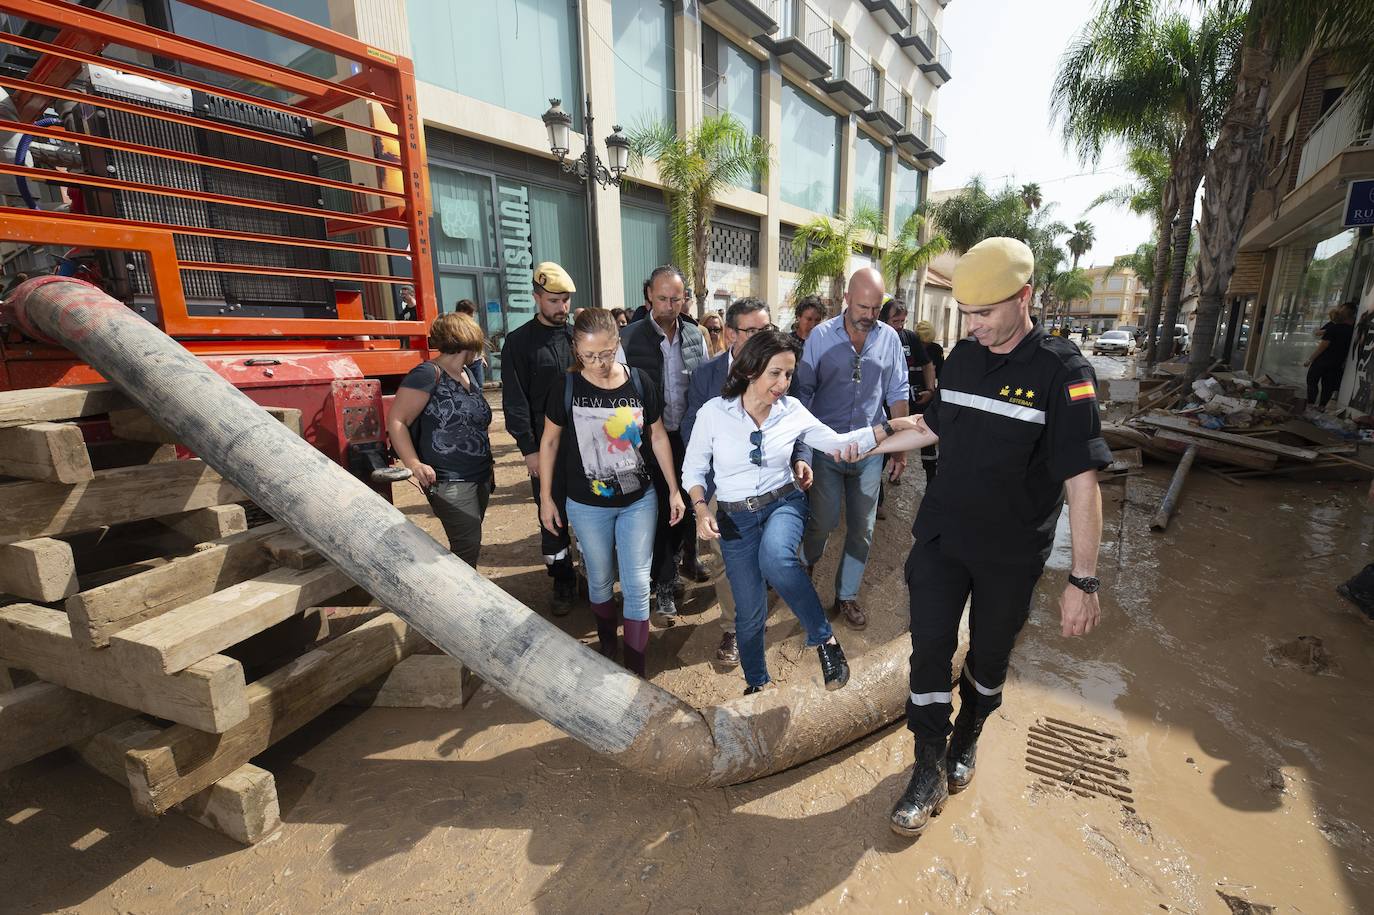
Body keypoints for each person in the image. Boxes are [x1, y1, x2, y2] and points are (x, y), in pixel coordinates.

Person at [854, 237, 1111, 837]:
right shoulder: (965, 359)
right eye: (966, 313)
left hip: (1011, 554)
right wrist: (866, 440)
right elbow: (931, 424)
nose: (972, 325)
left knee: (990, 659)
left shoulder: (1063, 373)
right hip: (943, 540)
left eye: (985, 312)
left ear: (1024, 298)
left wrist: (1084, 578)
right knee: (928, 654)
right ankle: (926, 766)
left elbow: (1082, 479)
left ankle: (967, 737)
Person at [684, 330, 925, 695]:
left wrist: (890, 426)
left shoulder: (793, 412)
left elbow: (840, 444)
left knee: (778, 559)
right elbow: (694, 471)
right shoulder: (713, 414)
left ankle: (825, 641)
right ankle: (757, 685)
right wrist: (701, 509)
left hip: (783, 503)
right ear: (751, 370)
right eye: (775, 373)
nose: (783, 383)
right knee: (749, 615)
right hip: (735, 520)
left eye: (789, 374)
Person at [538, 309, 684, 676]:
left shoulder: (640, 381)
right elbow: (550, 442)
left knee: (636, 584)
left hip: (639, 500)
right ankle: (606, 645)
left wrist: (674, 489)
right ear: (576, 350)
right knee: (600, 578)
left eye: (606, 353)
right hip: (587, 505)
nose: (600, 363)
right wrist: (545, 498)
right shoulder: (565, 387)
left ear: (617, 344)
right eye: (589, 356)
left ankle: (635, 670)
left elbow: (658, 435)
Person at [682, 297, 813, 666]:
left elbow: (799, 422)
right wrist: (703, 496)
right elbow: (693, 431)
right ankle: (734, 628)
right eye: (753, 332)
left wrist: (802, 458)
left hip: (775, 490)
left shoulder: (784, 370)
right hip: (725, 492)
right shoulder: (707, 375)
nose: (763, 339)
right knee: (726, 561)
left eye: (767, 331)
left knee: (769, 556)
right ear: (729, 334)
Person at [794, 268, 910, 631]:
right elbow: (803, 393)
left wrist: (898, 449)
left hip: (869, 450)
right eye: (863, 306)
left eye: (876, 308)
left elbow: (898, 393)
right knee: (823, 521)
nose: (869, 315)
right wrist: (802, 449)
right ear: (846, 298)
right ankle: (803, 570)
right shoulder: (820, 337)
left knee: (863, 528)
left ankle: (846, 595)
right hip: (826, 449)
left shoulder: (889, 339)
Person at [620, 265, 709, 619]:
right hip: (648, 443)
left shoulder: (695, 335)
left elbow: (703, 387)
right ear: (648, 297)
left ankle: (689, 558)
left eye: (677, 298)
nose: (670, 305)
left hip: (689, 437)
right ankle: (664, 586)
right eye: (663, 298)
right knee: (660, 514)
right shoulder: (628, 338)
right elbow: (621, 398)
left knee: (690, 505)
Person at [499, 261, 580, 613]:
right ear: (536, 298)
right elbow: (514, 400)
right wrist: (529, 450)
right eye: (553, 301)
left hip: (587, 444)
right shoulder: (518, 343)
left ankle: (597, 577)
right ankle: (562, 580)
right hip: (546, 449)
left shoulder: (579, 337)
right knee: (552, 515)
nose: (561, 308)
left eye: (565, 301)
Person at [387, 313, 493, 566]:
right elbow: (397, 421)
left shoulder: (466, 373)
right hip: (449, 478)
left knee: (469, 543)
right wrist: (414, 464)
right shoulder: (427, 373)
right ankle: (459, 601)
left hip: (480, 475)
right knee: (466, 546)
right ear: (468, 340)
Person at [875, 299, 934, 520]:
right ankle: (877, 501)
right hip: (880, 408)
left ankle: (894, 469)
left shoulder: (910, 337)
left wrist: (930, 389)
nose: (899, 325)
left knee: (900, 445)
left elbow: (927, 363)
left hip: (901, 406)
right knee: (879, 452)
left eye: (902, 321)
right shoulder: (876, 337)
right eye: (895, 320)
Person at [1304, 302, 1355, 410]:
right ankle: (1322, 407)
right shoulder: (1352, 331)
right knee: (1328, 386)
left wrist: (1310, 359)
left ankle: (1310, 405)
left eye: (1342, 309)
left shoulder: (1333, 328)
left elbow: (1323, 346)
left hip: (1323, 361)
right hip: (1337, 363)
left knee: (1312, 380)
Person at [912, 319, 944, 482]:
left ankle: (931, 477)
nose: (924, 347)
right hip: (908, 399)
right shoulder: (910, 346)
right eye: (922, 343)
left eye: (927, 343)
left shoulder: (936, 350)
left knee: (928, 438)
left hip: (927, 400)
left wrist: (932, 392)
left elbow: (942, 375)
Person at [453, 299, 487, 386]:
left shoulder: (473, 325)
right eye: (469, 314)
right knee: (466, 385)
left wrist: (482, 356)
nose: (472, 316)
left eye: (472, 314)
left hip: (476, 360)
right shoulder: (454, 327)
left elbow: (478, 341)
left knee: (478, 385)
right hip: (463, 361)